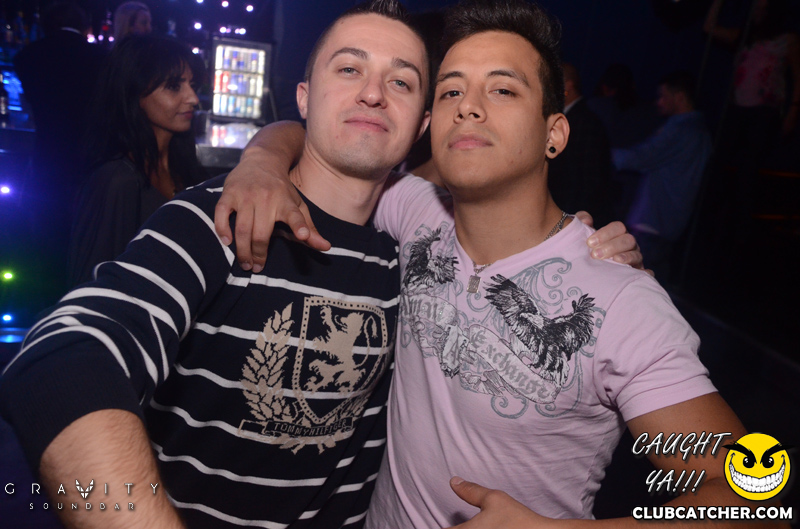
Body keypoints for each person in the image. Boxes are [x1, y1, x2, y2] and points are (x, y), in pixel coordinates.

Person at [0, 2, 639, 528]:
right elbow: (65, 354)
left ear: (423, 122)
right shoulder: (224, 217)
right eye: (349, 69)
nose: (372, 93)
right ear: (303, 98)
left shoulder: (420, 249)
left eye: (401, 81)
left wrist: (581, 254)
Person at [215, 1, 757, 527]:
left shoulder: (619, 301)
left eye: (502, 89)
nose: (468, 107)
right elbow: (327, 138)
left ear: (554, 134)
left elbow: (753, 499)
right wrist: (262, 160)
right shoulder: (415, 211)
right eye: (451, 90)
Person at [67, 35, 208, 287]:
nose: (193, 99)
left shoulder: (182, 167)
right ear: (135, 95)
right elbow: (91, 284)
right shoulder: (118, 180)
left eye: (192, 85)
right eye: (174, 86)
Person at [12, 1, 107, 302]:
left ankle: (47, 301)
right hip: (91, 160)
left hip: (48, 157)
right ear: (85, 26)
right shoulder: (101, 57)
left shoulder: (27, 56)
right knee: (88, 238)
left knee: (47, 236)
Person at [704, 0, 800, 231]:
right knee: (719, 165)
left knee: (747, 170)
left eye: (763, 8)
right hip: (737, 109)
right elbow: (709, 28)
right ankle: (713, 222)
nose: (758, 12)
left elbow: (799, 79)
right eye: (755, 7)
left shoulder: (787, 40)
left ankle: (741, 226)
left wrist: (792, 112)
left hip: (763, 112)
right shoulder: (745, 35)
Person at [614, 71, 712, 281]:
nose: (658, 102)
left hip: (653, 221)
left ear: (679, 97)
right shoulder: (701, 131)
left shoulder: (681, 130)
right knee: (653, 281)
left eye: (663, 96)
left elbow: (641, 157)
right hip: (670, 221)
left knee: (635, 282)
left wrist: (598, 153)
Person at [548, 62, 613, 227]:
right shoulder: (573, 117)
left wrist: (572, 220)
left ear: (568, 86)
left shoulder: (585, 121)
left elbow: (589, 178)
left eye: (552, 83)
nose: (548, 90)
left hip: (575, 216)